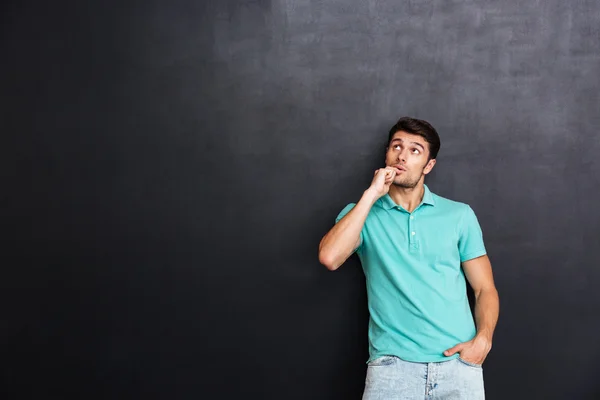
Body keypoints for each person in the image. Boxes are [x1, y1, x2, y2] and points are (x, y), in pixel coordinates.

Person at [318, 116, 499, 399]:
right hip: (392, 368)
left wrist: (483, 339)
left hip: (458, 366)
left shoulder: (459, 215)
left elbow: (484, 288)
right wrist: (372, 194)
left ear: (429, 165)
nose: (402, 155)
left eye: (415, 150)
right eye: (396, 146)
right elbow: (329, 257)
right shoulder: (361, 214)